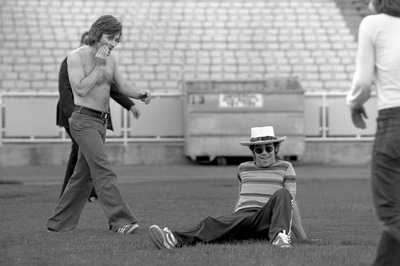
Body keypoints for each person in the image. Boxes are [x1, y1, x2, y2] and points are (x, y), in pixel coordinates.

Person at [46, 15, 151, 234]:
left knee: (81, 177)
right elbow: (81, 89)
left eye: (117, 40)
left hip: (100, 122)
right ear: (97, 33)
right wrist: (99, 66)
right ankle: (122, 221)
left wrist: (140, 94)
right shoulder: (76, 56)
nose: (113, 44)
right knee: (104, 170)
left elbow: (121, 86)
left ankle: (58, 224)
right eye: (110, 38)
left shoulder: (112, 60)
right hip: (83, 121)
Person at [149, 126, 309, 249]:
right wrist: (232, 221)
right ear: (253, 151)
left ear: (276, 148)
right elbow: (242, 198)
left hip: (267, 217)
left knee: (283, 194)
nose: (264, 153)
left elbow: (290, 203)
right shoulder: (243, 168)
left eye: (268, 148)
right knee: (211, 223)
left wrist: (302, 238)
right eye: (259, 149)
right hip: (244, 216)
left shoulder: (286, 167)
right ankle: (172, 240)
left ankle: (279, 238)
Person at [57, 31, 141, 202]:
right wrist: (73, 117)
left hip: (94, 118)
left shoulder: (103, 63)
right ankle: (108, 206)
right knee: (89, 156)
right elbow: (66, 92)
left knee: (83, 157)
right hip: (76, 116)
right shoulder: (72, 60)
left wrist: (131, 104)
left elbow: (114, 88)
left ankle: (74, 197)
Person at [346, 0, 400, 264]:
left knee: (391, 213)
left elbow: (363, 82)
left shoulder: (373, 24)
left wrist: (354, 103)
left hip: (395, 123)